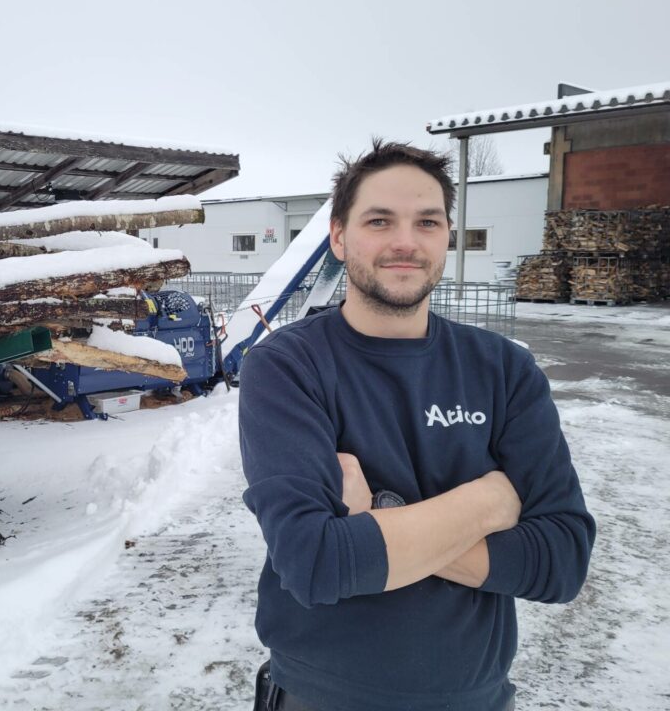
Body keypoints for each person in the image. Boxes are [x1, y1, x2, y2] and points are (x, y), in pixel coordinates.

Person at [238, 139, 596, 711]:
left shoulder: (504, 369)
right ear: (338, 236)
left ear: (447, 236)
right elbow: (313, 562)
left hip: (475, 699)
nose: (405, 242)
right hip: (320, 698)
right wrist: (488, 503)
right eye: (379, 221)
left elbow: (560, 561)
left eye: (426, 222)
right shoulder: (287, 366)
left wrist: (373, 521)